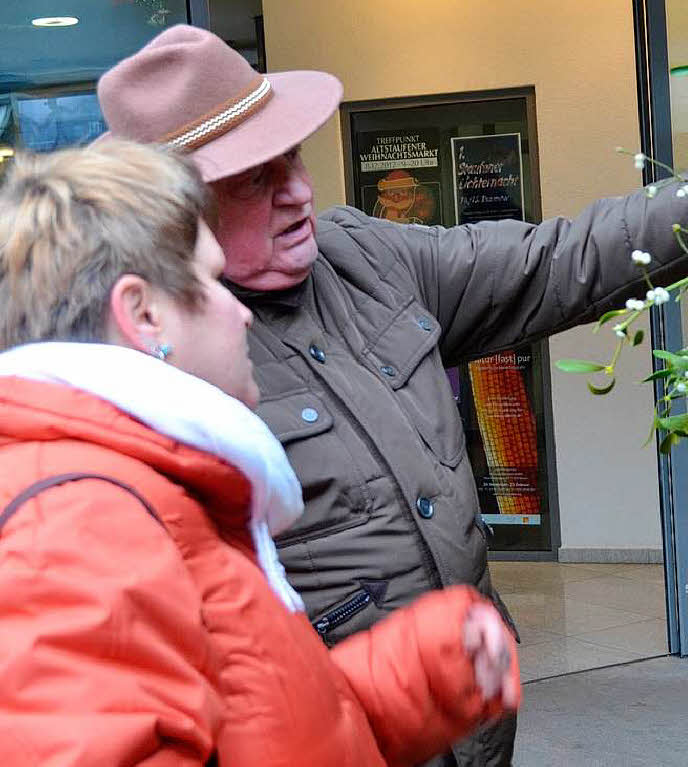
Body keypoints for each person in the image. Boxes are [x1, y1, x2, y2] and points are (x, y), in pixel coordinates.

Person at [95, 25, 688, 767]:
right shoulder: (149, 361)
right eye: (256, 178)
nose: (298, 191)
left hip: (472, 727)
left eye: (292, 157)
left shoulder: (364, 254)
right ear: (176, 208)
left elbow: (554, 260)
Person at [0, 140, 519, 766]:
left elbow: (262, 732)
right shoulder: (72, 532)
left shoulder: (148, 492)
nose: (241, 314)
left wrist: (423, 669)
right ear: (144, 315)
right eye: (214, 282)